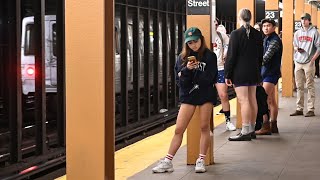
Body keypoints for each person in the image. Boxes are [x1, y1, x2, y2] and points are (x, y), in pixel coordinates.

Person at [152, 27, 217, 173]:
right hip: (188, 95)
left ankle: (201, 160)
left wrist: (196, 73)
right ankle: (168, 161)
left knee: (204, 127)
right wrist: (188, 70)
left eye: (195, 41)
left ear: (201, 40)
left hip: (205, 94)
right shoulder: (181, 58)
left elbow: (210, 78)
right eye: (190, 43)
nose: (193, 45)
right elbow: (179, 81)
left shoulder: (210, 56)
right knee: (179, 128)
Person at [224, 8, 263, 141]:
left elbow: (231, 56)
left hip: (240, 72)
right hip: (253, 71)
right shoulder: (257, 34)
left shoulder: (236, 34)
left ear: (239, 17)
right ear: (250, 18)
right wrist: (258, 71)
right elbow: (260, 56)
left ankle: (245, 130)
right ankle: (252, 129)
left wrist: (227, 74)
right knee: (252, 99)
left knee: (243, 100)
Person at [255, 19, 283, 135]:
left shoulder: (274, 40)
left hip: (270, 74)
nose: (266, 28)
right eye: (264, 26)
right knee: (271, 100)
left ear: (274, 27)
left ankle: (266, 125)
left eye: (268, 26)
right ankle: (274, 125)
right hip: (267, 73)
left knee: (263, 99)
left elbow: (266, 58)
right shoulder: (267, 39)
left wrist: (253, 63)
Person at [290, 13, 320, 117]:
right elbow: (294, 44)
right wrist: (296, 49)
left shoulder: (314, 32)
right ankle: (299, 108)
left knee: (310, 85)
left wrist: (313, 60)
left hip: (309, 63)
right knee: (299, 86)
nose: (303, 21)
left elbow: (319, 47)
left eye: (306, 19)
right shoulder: (297, 33)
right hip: (298, 62)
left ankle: (311, 109)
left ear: (309, 20)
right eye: (302, 19)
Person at [213, 18, 236, 131]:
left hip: (220, 68)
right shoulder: (203, 36)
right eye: (213, 23)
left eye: (216, 23)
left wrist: (226, 54)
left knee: (223, 95)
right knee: (206, 97)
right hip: (207, 70)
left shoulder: (222, 36)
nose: (215, 25)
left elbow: (228, 47)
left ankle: (228, 121)